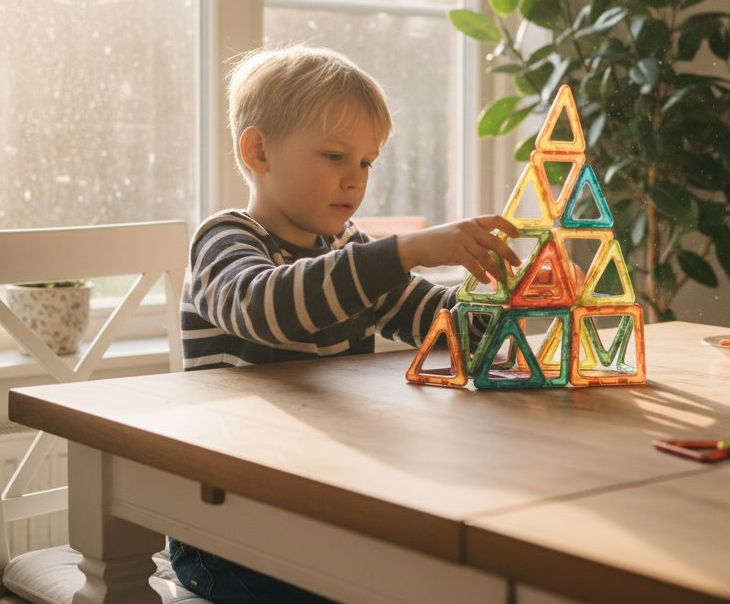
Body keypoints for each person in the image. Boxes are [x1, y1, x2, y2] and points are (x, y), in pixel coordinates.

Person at [170, 45, 522, 603]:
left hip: (321, 511)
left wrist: (510, 300)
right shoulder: (225, 240)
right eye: (335, 156)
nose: (355, 181)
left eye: (366, 163)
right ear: (258, 151)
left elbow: (439, 326)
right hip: (225, 531)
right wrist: (405, 250)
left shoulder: (348, 250)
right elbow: (267, 308)